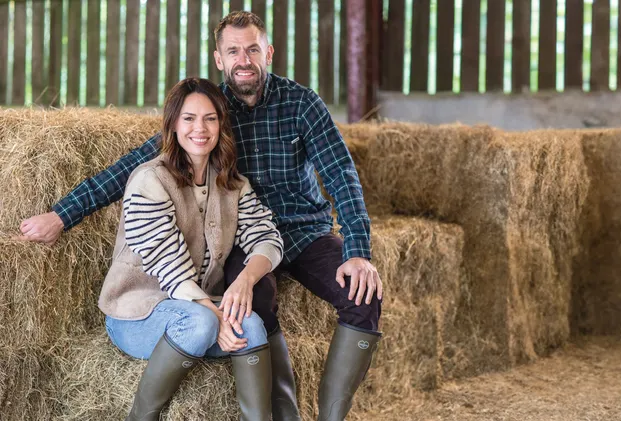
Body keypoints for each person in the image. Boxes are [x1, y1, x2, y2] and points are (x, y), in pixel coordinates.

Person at [17, 11, 383, 421]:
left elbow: (341, 174)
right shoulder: (209, 110)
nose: (244, 60)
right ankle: (285, 414)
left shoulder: (301, 104)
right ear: (219, 59)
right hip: (242, 240)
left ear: (268, 53)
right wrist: (61, 215)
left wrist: (357, 251)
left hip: (303, 232)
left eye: (252, 49)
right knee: (254, 306)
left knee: (363, 295)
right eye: (233, 51)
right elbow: (130, 170)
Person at [99, 77, 283, 420]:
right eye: (189, 118)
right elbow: (171, 270)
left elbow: (267, 238)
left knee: (252, 324)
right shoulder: (149, 180)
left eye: (210, 118)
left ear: (221, 125)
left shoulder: (233, 184)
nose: (200, 128)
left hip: (198, 310)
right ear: (173, 124)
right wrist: (218, 317)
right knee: (201, 322)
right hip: (138, 315)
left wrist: (245, 280)